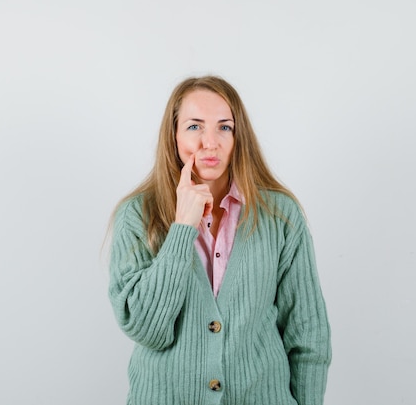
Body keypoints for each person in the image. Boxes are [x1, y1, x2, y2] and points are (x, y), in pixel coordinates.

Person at [107, 75, 331, 405]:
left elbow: (307, 332)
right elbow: (146, 328)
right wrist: (182, 227)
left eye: (224, 127)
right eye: (194, 127)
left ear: (239, 137)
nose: (210, 142)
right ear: (174, 135)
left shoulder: (280, 215)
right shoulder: (137, 215)